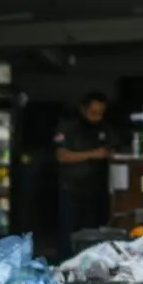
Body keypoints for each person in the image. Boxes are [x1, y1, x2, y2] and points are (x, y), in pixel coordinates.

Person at [53, 91, 113, 256]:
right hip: (72, 188)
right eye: (93, 113)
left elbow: (112, 151)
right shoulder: (67, 127)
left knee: (94, 235)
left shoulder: (105, 129)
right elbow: (62, 156)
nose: (97, 117)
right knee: (69, 233)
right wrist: (93, 154)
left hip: (96, 190)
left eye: (100, 113)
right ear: (83, 109)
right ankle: (65, 268)